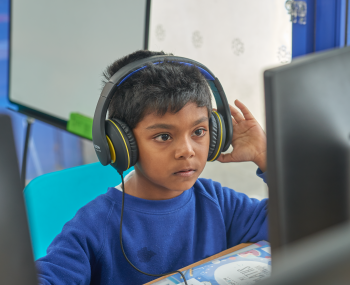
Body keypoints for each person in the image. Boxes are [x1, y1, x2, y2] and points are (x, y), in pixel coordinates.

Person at [36, 50, 268, 284]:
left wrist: (266, 156)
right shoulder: (96, 225)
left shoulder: (216, 202)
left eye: (198, 132)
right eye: (164, 136)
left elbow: (294, 223)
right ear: (121, 144)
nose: (187, 150)